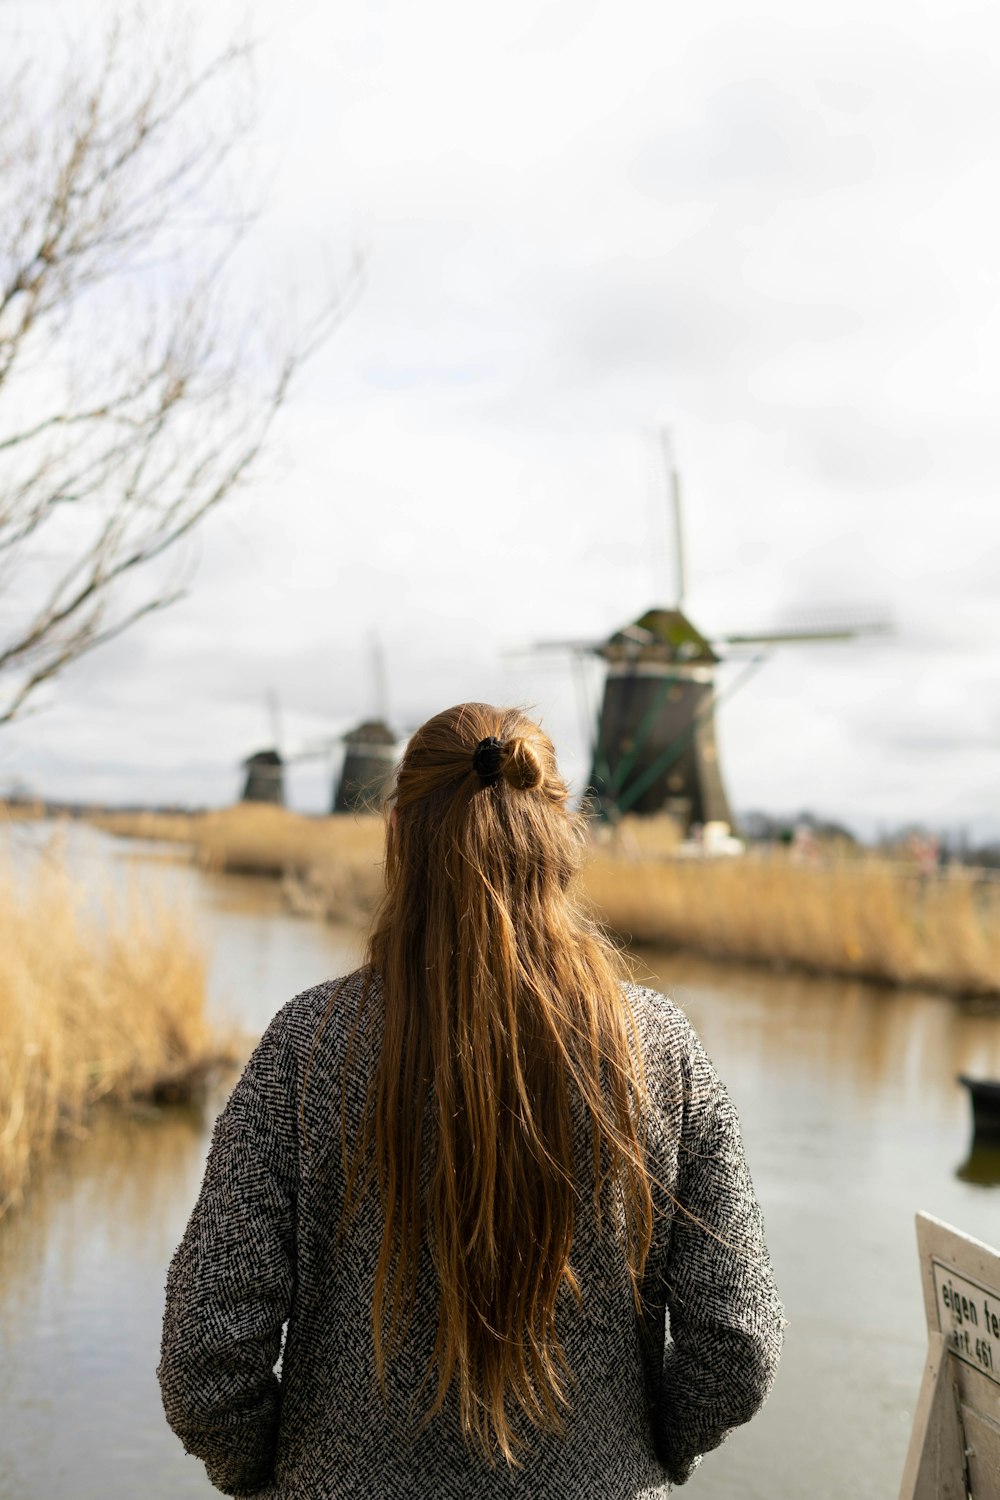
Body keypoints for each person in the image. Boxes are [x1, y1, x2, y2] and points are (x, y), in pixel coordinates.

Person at [158, 702, 783, 1497]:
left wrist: (277, 1477)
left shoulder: (307, 1046)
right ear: (565, 837)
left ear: (396, 838)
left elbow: (206, 1351)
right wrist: (638, 1461)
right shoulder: (658, 1049)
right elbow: (738, 1342)